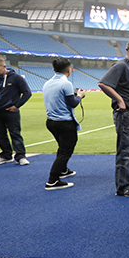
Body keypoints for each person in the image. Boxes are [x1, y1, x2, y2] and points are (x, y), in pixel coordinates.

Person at [99, 40, 129, 197]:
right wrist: (120, 100)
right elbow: (103, 84)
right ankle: (123, 186)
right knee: (126, 150)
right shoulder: (121, 65)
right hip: (127, 115)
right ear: (127, 50)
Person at [42, 58, 85, 190]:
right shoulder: (66, 84)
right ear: (68, 69)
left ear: (54, 69)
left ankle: (63, 170)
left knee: (62, 148)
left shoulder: (47, 83)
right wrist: (80, 95)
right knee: (65, 151)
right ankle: (53, 180)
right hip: (64, 122)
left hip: (51, 121)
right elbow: (72, 103)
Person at [0, 57, 31, 166]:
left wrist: (17, 106)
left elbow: (27, 93)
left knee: (15, 134)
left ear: (4, 66)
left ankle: (21, 156)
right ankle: (6, 155)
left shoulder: (17, 78)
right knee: (0, 135)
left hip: (11, 111)